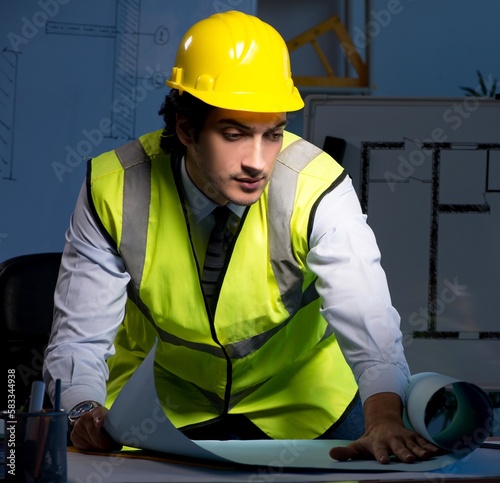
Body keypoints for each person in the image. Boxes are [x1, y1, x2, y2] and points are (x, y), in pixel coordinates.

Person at [43, 10, 440, 464]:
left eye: (273, 134)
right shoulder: (114, 187)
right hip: (162, 405)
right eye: (234, 134)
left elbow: (368, 318)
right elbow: (80, 339)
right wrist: (81, 408)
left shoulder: (318, 186)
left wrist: (385, 416)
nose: (259, 161)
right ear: (187, 128)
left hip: (303, 401)